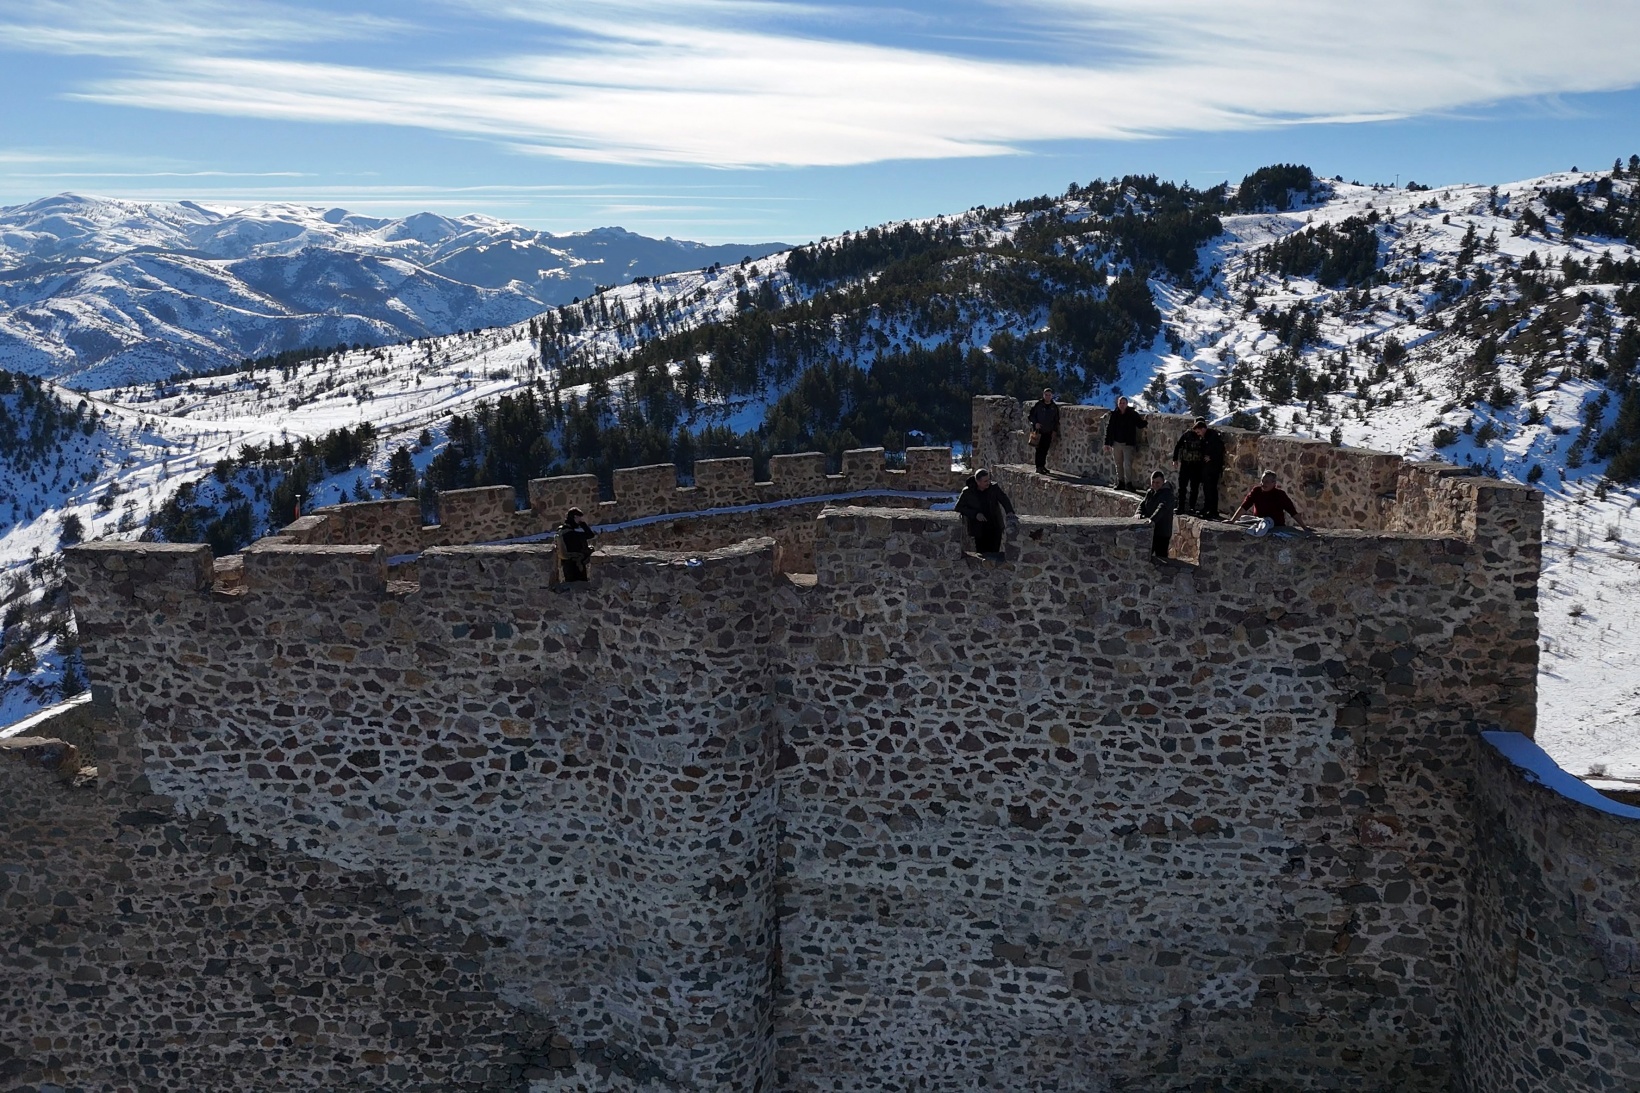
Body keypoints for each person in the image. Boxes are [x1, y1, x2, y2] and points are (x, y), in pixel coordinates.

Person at [954, 468, 1017, 553]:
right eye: (985, 481)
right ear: (978, 481)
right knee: (981, 554)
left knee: (994, 554)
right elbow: (959, 507)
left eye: (989, 480)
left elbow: (1004, 499)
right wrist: (975, 514)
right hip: (978, 529)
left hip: (994, 527)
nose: (988, 483)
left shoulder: (993, 488)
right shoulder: (967, 492)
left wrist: (1009, 511)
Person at [1231, 472, 1308, 530]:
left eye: (1267, 482)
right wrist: (1232, 520)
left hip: (1276, 526)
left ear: (1274, 483)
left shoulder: (1280, 495)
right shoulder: (1256, 491)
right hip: (1260, 524)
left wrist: (1304, 527)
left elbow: (1292, 511)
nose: (1263, 484)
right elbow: (1245, 506)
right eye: (1262, 481)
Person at [1171, 417, 1216, 516]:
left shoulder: (1205, 436)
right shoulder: (1187, 434)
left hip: (1197, 465)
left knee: (1194, 488)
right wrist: (1175, 459)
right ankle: (1180, 507)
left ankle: (1192, 507)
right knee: (1182, 487)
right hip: (1185, 463)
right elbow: (1178, 446)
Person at [1137, 470, 1176, 560]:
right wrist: (1138, 513)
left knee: (1161, 558)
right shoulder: (1150, 492)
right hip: (1151, 530)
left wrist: (1150, 521)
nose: (1155, 485)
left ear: (1163, 481)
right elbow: (1142, 504)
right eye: (1153, 482)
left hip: (1162, 532)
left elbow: (1161, 509)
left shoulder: (1168, 494)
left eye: (1157, 483)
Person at [557, 506, 597, 581]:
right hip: (576, 566)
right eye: (579, 518)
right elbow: (590, 535)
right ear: (575, 517)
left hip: (567, 566)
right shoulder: (571, 534)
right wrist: (583, 524)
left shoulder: (562, 531)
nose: (580, 520)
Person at [1197, 420, 1227, 518]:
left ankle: (1213, 510)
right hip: (1206, 467)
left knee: (1212, 489)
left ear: (1203, 429)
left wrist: (1211, 457)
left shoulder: (1214, 437)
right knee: (1206, 489)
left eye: (1199, 431)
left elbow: (1219, 451)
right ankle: (1207, 508)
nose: (1198, 434)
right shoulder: (1205, 438)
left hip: (1213, 467)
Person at [1027, 389, 1060, 475]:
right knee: (1039, 450)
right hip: (1039, 431)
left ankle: (1043, 466)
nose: (1048, 397)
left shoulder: (1054, 407)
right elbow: (1030, 416)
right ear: (1043, 395)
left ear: (1051, 396)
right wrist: (1035, 423)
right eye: (1046, 395)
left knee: (1045, 450)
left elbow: (1056, 420)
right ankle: (1038, 467)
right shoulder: (1038, 405)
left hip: (1048, 432)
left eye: (1049, 395)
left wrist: (1054, 431)